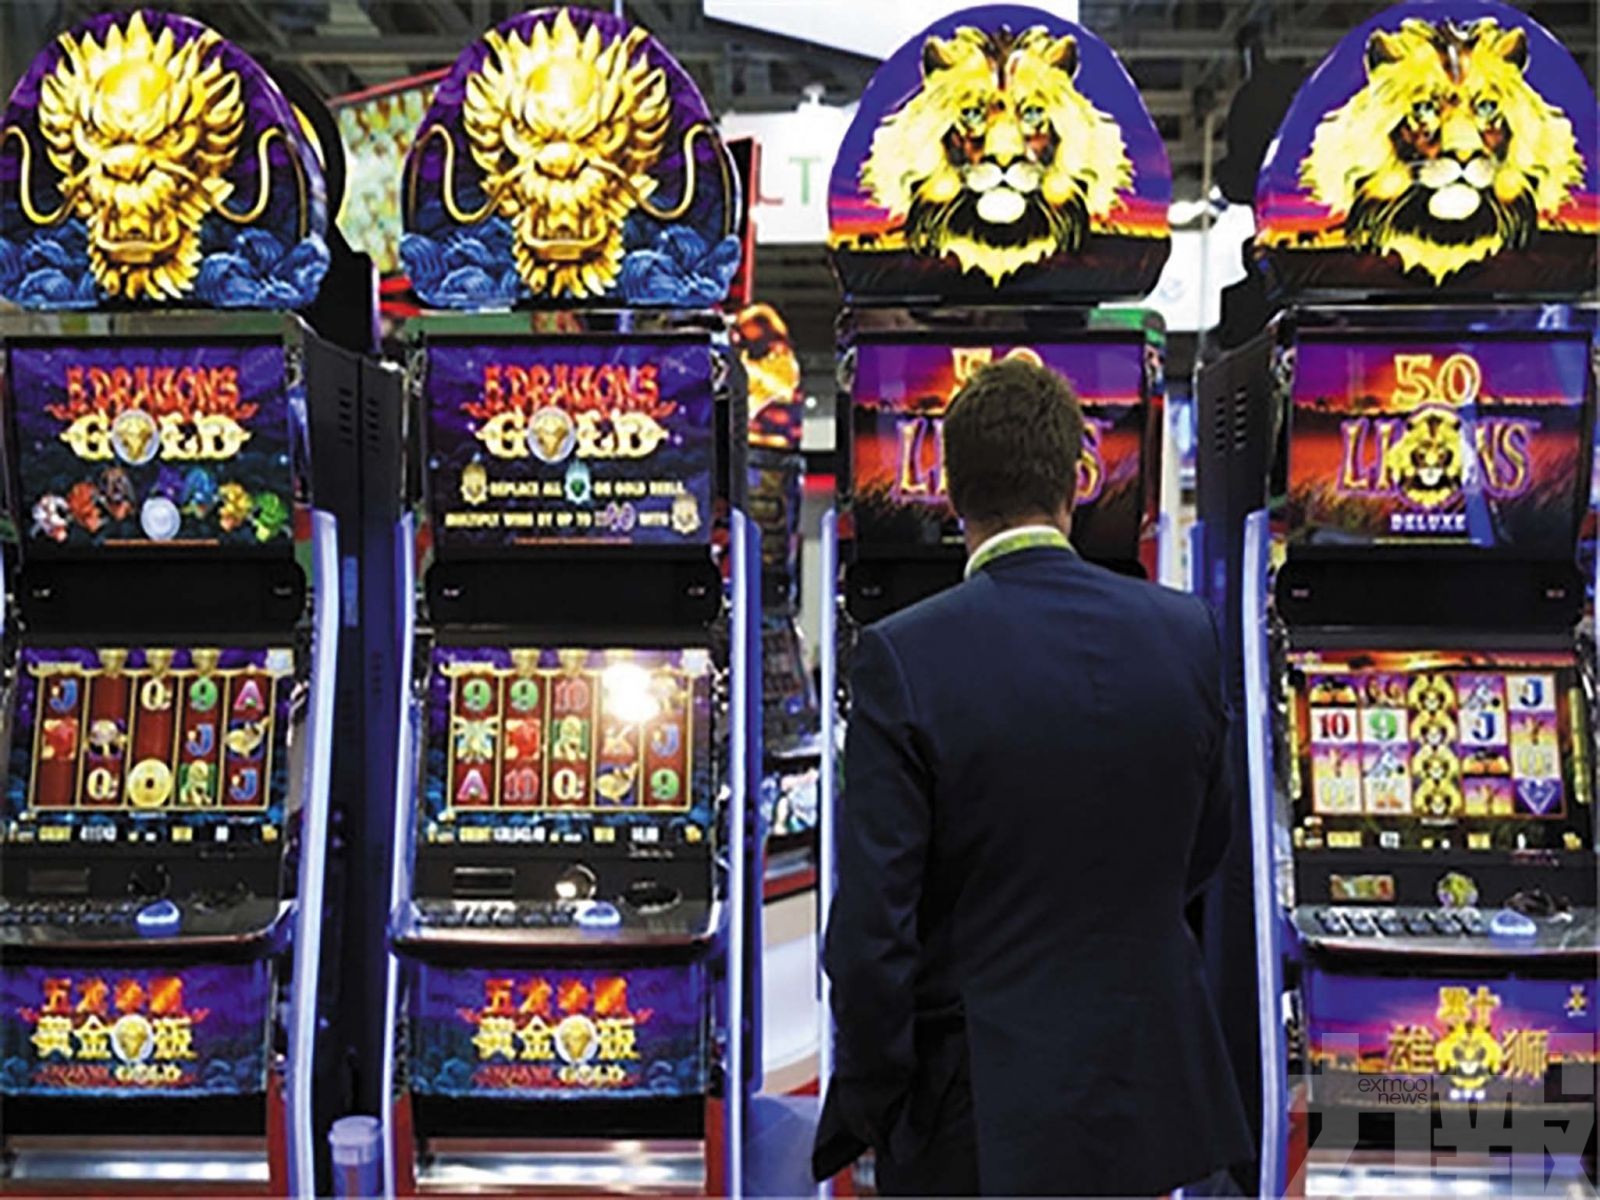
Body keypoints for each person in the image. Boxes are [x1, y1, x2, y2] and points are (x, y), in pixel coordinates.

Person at [812, 358, 1253, 1197]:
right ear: (1076, 481)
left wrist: (874, 1098)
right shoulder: (1184, 632)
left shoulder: (904, 655)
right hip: (1141, 1090)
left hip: (978, 1108)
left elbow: (872, 933)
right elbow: (1206, 847)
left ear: (948, 489)